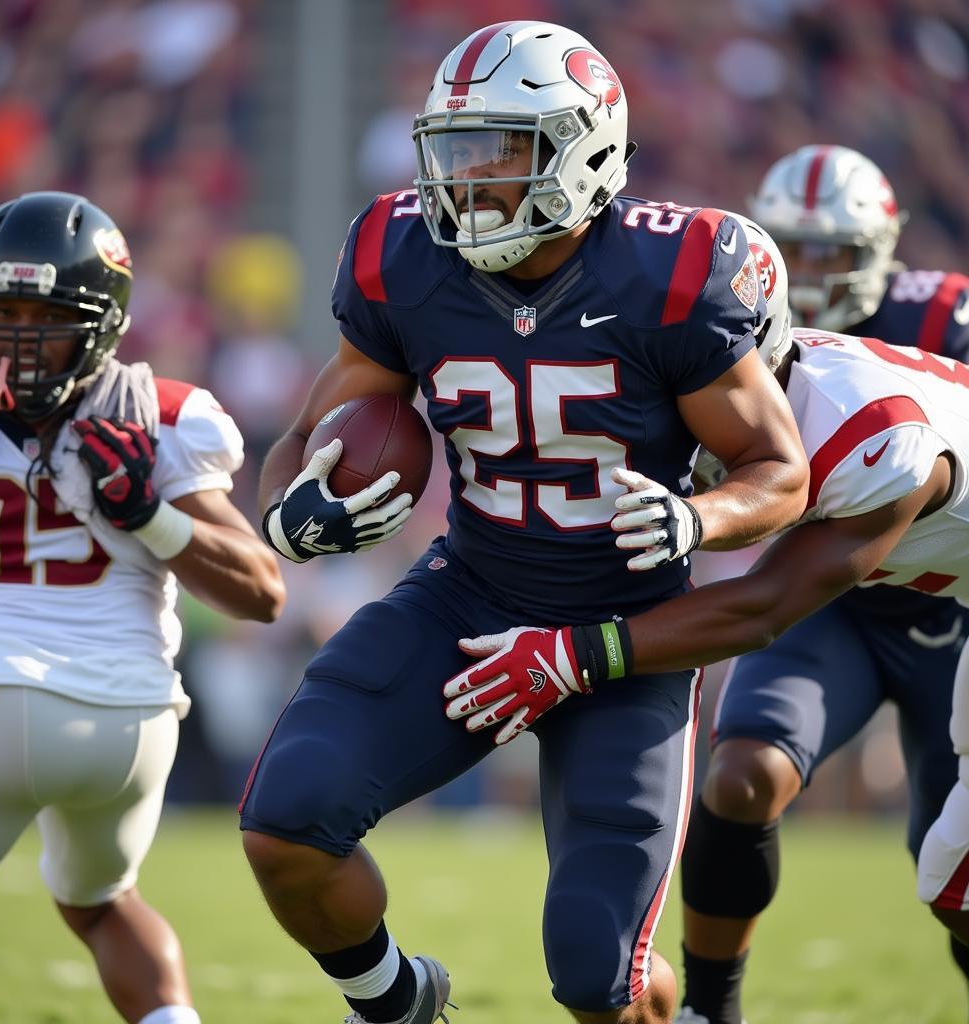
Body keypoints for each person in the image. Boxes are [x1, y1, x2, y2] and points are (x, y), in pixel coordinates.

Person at [243, 21, 808, 1024]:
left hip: (622, 632)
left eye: (498, 150)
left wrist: (694, 516)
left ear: (583, 148)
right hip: (470, 593)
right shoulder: (403, 255)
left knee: (598, 980)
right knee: (286, 821)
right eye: (452, 151)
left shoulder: (669, 275)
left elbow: (777, 471)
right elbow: (304, 436)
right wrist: (292, 513)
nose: (465, 181)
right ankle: (395, 1000)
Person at [442, 217, 969, 1022]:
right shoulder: (748, 396)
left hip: (922, 596)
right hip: (936, 586)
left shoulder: (873, 435)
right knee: (946, 880)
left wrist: (572, 655)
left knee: (951, 874)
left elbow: (762, 609)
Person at [0, 191, 286, 1024]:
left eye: (46, 315)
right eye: (5, 311)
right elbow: (262, 588)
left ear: (100, 320)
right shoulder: (161, 414)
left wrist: (144, 514)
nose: (21, 340)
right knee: (99, 902)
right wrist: (157, 516)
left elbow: (264, 599)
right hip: (133, 729)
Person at [676, 145, 969, 1024]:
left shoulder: (942, 320)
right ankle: (709, 1008)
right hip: (834, 602)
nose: (807, 274)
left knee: (946, 866)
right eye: (793, 249)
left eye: (831, 251)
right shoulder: (738, 324)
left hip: (943, 598)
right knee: (743, 775)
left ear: (881, 246)